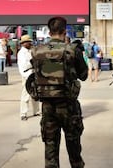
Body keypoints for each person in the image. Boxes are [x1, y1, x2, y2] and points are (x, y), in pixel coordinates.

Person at [35, 17, 88, 168]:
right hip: (68, 105)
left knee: (50, 145)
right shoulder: (72, 50)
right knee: (73, 145)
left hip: (47, 106)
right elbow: (83, 75)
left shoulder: (37, 51)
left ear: (49, 32)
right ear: (64, 31)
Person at [17, 35, 40, 121]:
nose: (30, 43)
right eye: (28, 42)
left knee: (35, 93)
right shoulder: (21, 53)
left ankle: (36, 111)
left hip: (34, 74)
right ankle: (23, 113)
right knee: (25, 95)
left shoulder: (31, 51)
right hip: (27, 75)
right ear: (23, 44)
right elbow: (25, 65)